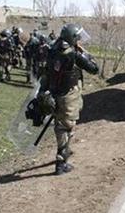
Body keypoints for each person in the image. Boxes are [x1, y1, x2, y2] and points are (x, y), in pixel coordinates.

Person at [38, 23, 99, 175]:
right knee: (66, 127)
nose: (80, 40)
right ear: (72, 38)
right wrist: (84, 53)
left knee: (61, 124)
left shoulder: (53, 49)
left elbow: (46, 72)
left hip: (54, 92)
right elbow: (94, 69)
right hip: (67, 96)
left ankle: (64, 152)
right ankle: (61, 162)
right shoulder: (73, 54)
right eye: (78, 37)